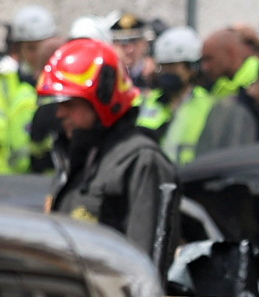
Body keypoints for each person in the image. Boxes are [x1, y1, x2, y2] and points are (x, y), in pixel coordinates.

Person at [40, 37, 177, 270]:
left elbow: (142, 267)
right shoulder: (81, 157)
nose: (60, 113)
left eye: (71, 103)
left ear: (103, 100)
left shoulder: (142, 161)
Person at [0, 5, 59, 175]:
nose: (37, 54)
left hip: (45, 176)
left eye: (41, 46)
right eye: (30, 48)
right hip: (7, 176)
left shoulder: (61, 83)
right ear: (20, 49)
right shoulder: (2, 81)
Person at [137, 25, 219, 161]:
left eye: (173, 66)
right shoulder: (144, 103)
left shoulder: (208, 105)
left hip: (192, 176)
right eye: (163, 66)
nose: (166, 72)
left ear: (192, 68)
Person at [187, 25, 259, 156]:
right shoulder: (219, 85)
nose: (205, 67)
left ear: (230, 53)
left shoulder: (256, 80)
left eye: (209, 59)